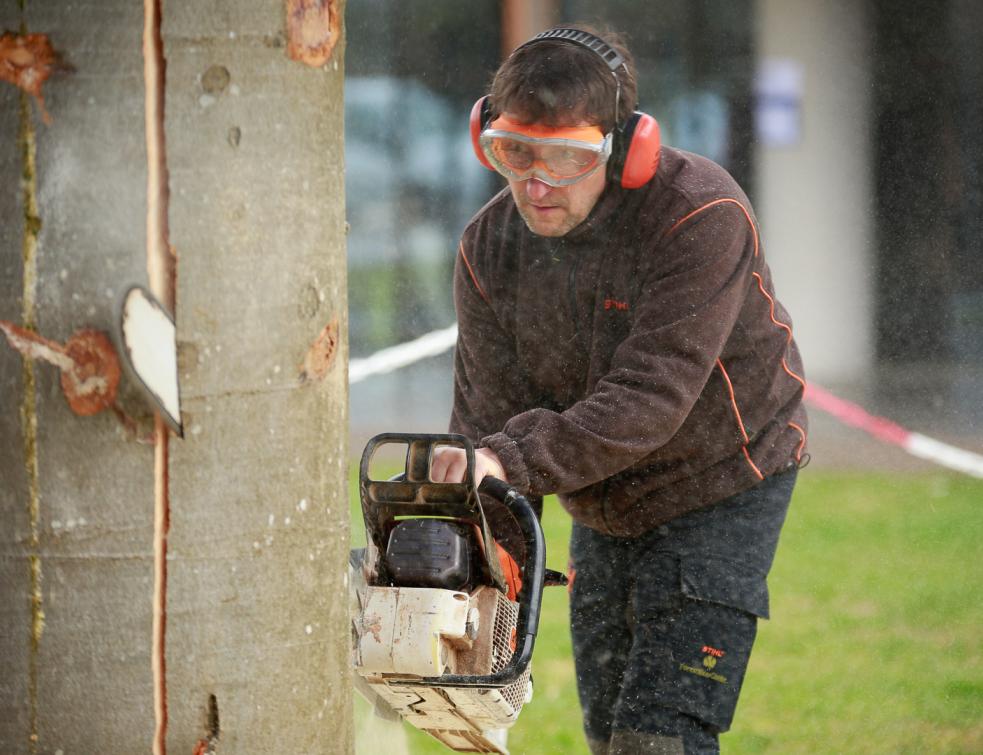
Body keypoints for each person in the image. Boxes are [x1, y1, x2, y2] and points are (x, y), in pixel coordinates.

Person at [430, 25, 807, 755]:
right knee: (608, 733)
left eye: (566, 159)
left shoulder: (698, 216)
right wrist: (478, 588)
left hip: (722, 477)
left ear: (625, 149)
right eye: (514, 153)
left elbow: (649, 396)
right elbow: (487, 419)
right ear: (487, 139)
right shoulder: (488, 247)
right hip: (600, 494)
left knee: (658, 736)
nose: (536, 183)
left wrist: (506, 459)